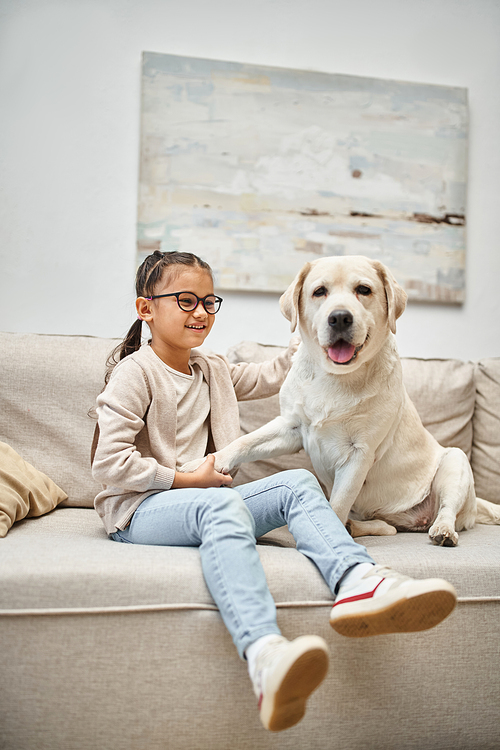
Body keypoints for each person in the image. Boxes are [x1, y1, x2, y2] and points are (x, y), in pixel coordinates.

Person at [92, 250, 457, 733]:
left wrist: (316, 327)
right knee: (220, 504)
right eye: (184, 301)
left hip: (202, 500)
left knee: (300, 482)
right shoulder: (133, 373)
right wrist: (185, 479)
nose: (200, 312)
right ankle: (265, 653)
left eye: (207, 301)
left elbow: (275, 373)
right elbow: (108, 464)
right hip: (140, 510)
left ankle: (360, 582)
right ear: (146, 310)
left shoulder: (212, 369)